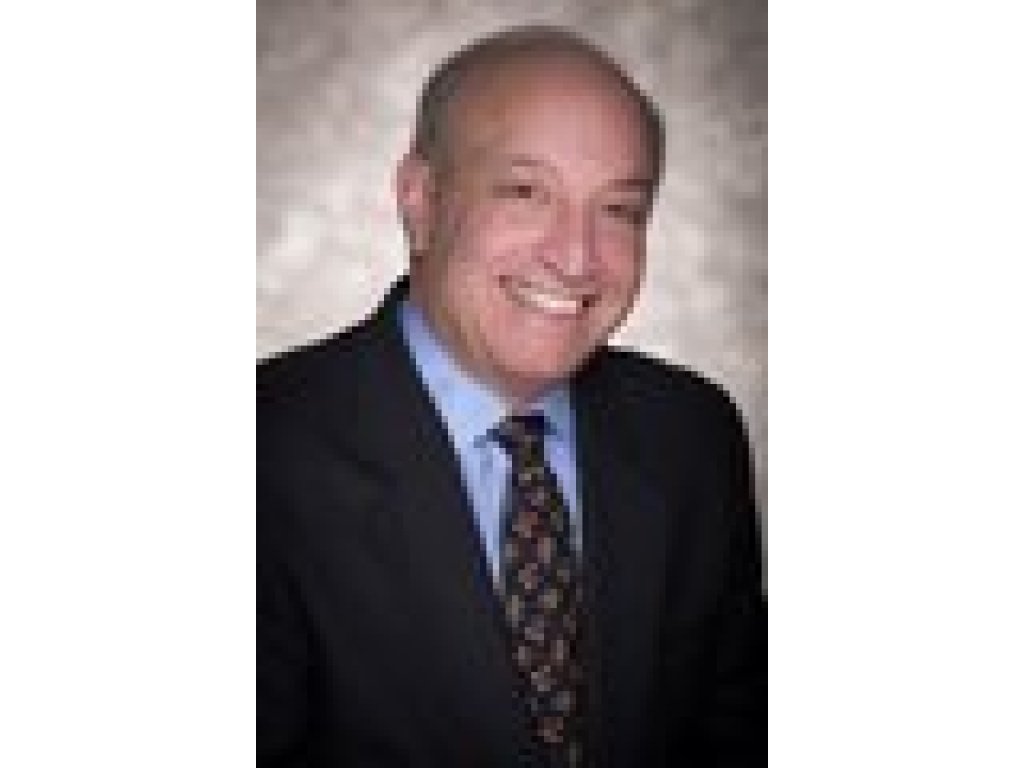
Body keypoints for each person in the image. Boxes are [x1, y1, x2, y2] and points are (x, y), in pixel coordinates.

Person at [258, 25, 765, 767]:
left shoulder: (692, 435)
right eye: (526, 193)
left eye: (619, 210)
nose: (576, 257)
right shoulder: (262, 447)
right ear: (421, 201)